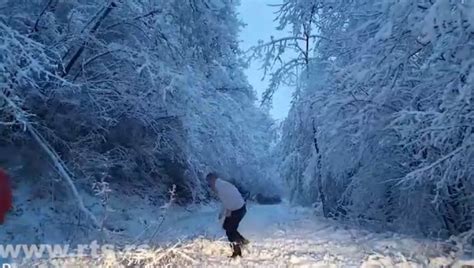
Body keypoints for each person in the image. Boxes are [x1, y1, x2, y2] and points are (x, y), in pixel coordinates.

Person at [206, 172, 249, 258]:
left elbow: (229, 200)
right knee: (228, 228)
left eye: (209, 182)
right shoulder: (221, 184)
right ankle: (243, 241)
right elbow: (226, 200)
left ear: (213, 179)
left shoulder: (221, 187)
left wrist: (227, 212)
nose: (209, 185)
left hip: (237, 209)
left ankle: (237, 253)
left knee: (230, 230)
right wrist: (222, 213)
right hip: (240, 208)